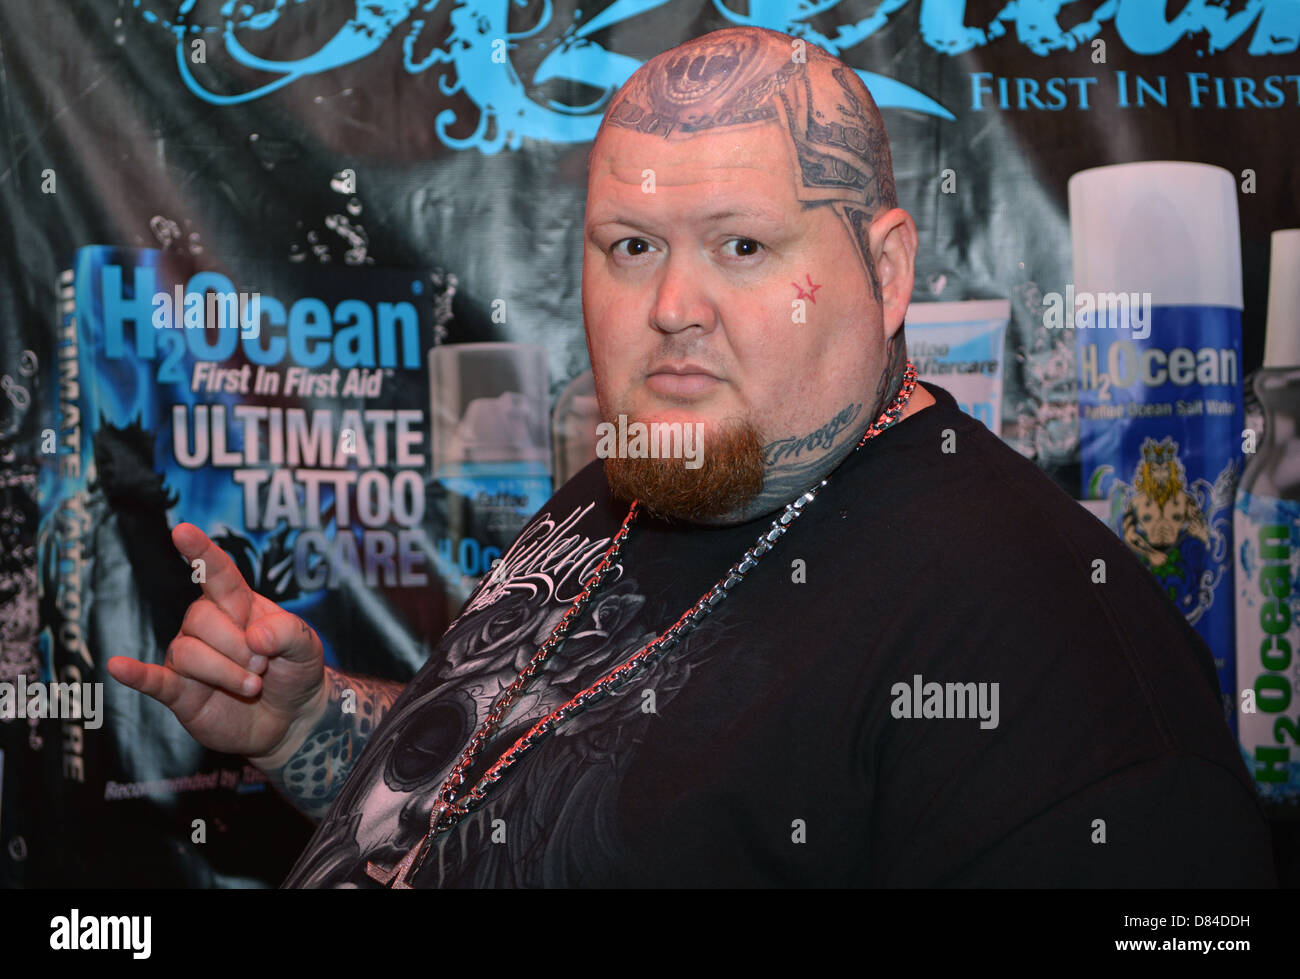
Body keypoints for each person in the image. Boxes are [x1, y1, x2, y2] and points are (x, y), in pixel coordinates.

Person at [108, 26, 1276, 887]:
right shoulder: (642, 475)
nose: (671, 305)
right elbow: (505, 782)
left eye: (740, 244)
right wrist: (309, 730)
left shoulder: (1048, 658)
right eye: (629, 245)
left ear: (887, 272)